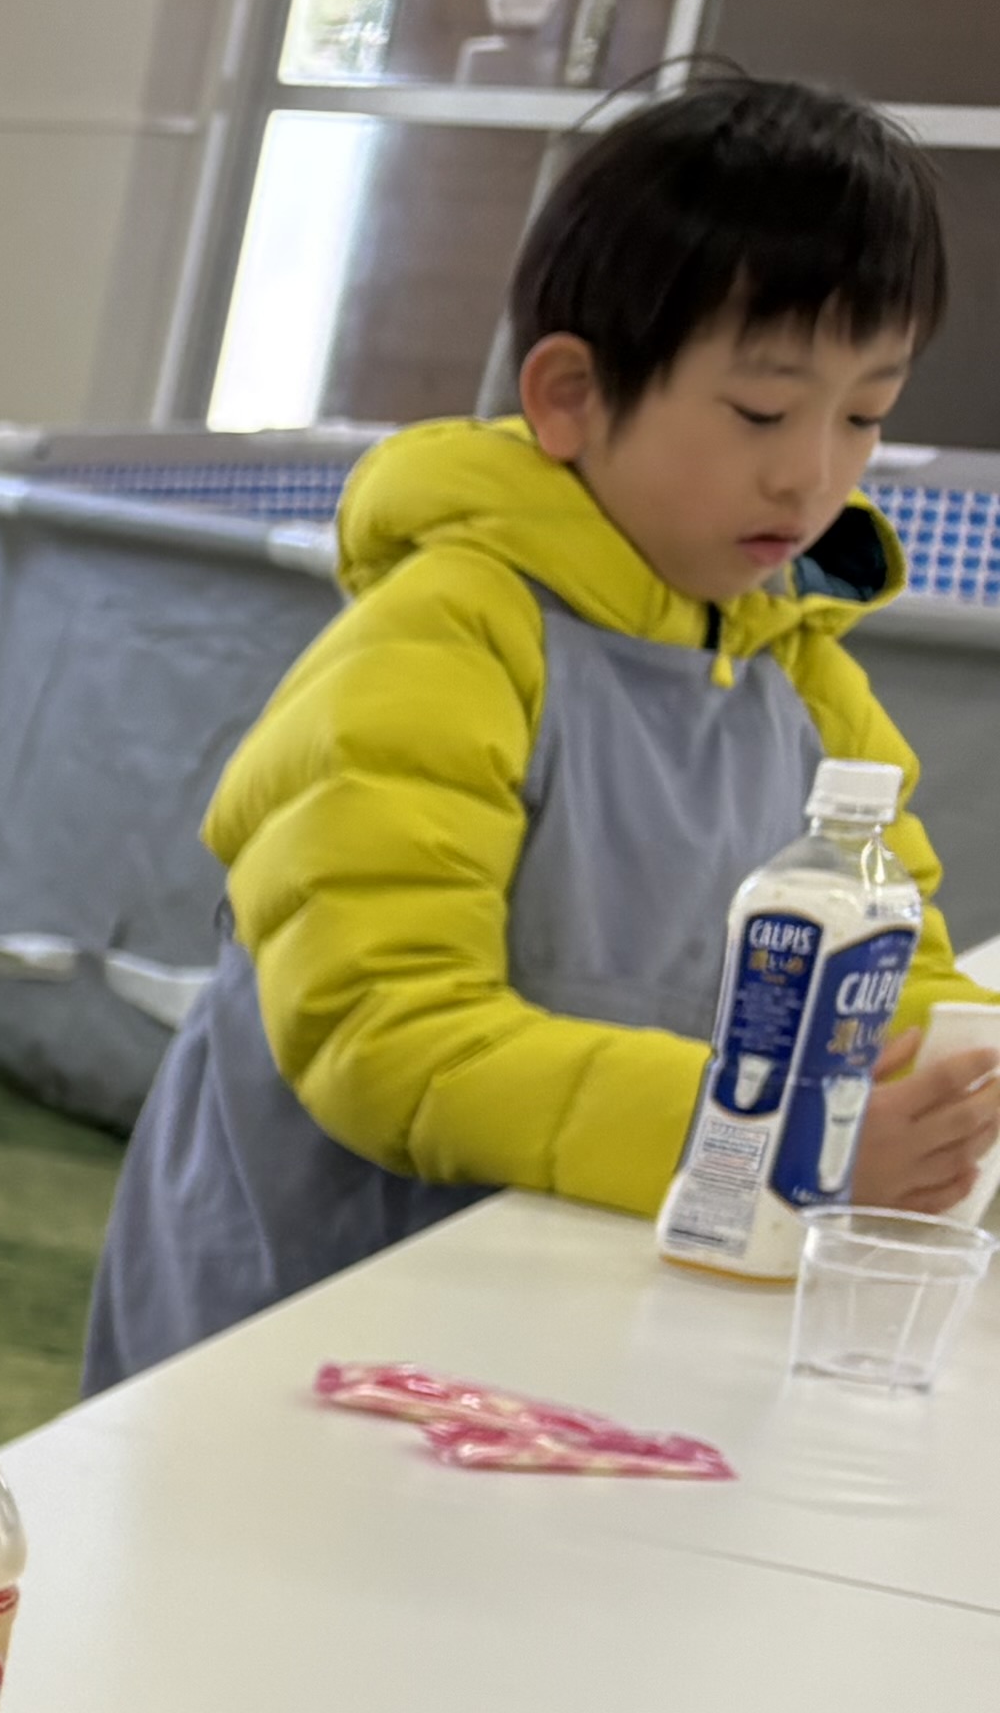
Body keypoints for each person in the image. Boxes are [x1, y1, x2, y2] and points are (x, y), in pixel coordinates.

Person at [90, 75, 997, 1384]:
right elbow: (385, 1036)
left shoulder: (803, 678)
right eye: (762, 411)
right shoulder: (444, 642)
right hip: (307, 1318)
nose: (812, 475)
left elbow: (895, 976)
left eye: (863, 417)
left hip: (578, 1302)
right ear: (570, 394)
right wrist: (771, 1146)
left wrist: (958, 1091)